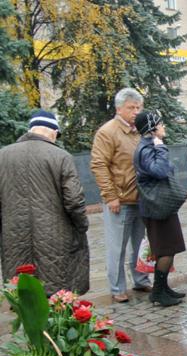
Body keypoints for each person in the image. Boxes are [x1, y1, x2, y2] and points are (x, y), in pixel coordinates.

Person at [0, 110, 89, 295]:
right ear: (53, 131)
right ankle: (57, 323)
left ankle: (29, 322)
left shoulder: (3, 156)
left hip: (14, 235)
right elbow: (73, 200)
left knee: (23, 290)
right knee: (57, 291)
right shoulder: (61, 156)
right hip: (56, 236)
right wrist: (81, 226)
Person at [90, 88, 151, 303]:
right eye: (130, 107)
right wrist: (110, 196)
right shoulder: (108, 132)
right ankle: (117, 289)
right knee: (118, 248)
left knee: (140, 245)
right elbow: (99, 165)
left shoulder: (140, 131)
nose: (135, 111)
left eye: (138, 107)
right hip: (120, 201)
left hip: (141, 199)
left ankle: (141, 280)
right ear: (119, 109)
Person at [131, 111, 186, 307]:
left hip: (161, 205)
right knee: (166, 249)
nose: (164, 127)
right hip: (156, 207)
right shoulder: (147, 148)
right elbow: (161, 170)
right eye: (161, 124)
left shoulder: (148, 147)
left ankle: (162, 288)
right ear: (152, 128)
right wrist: (161, 147)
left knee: (170, 247)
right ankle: (158, 292)